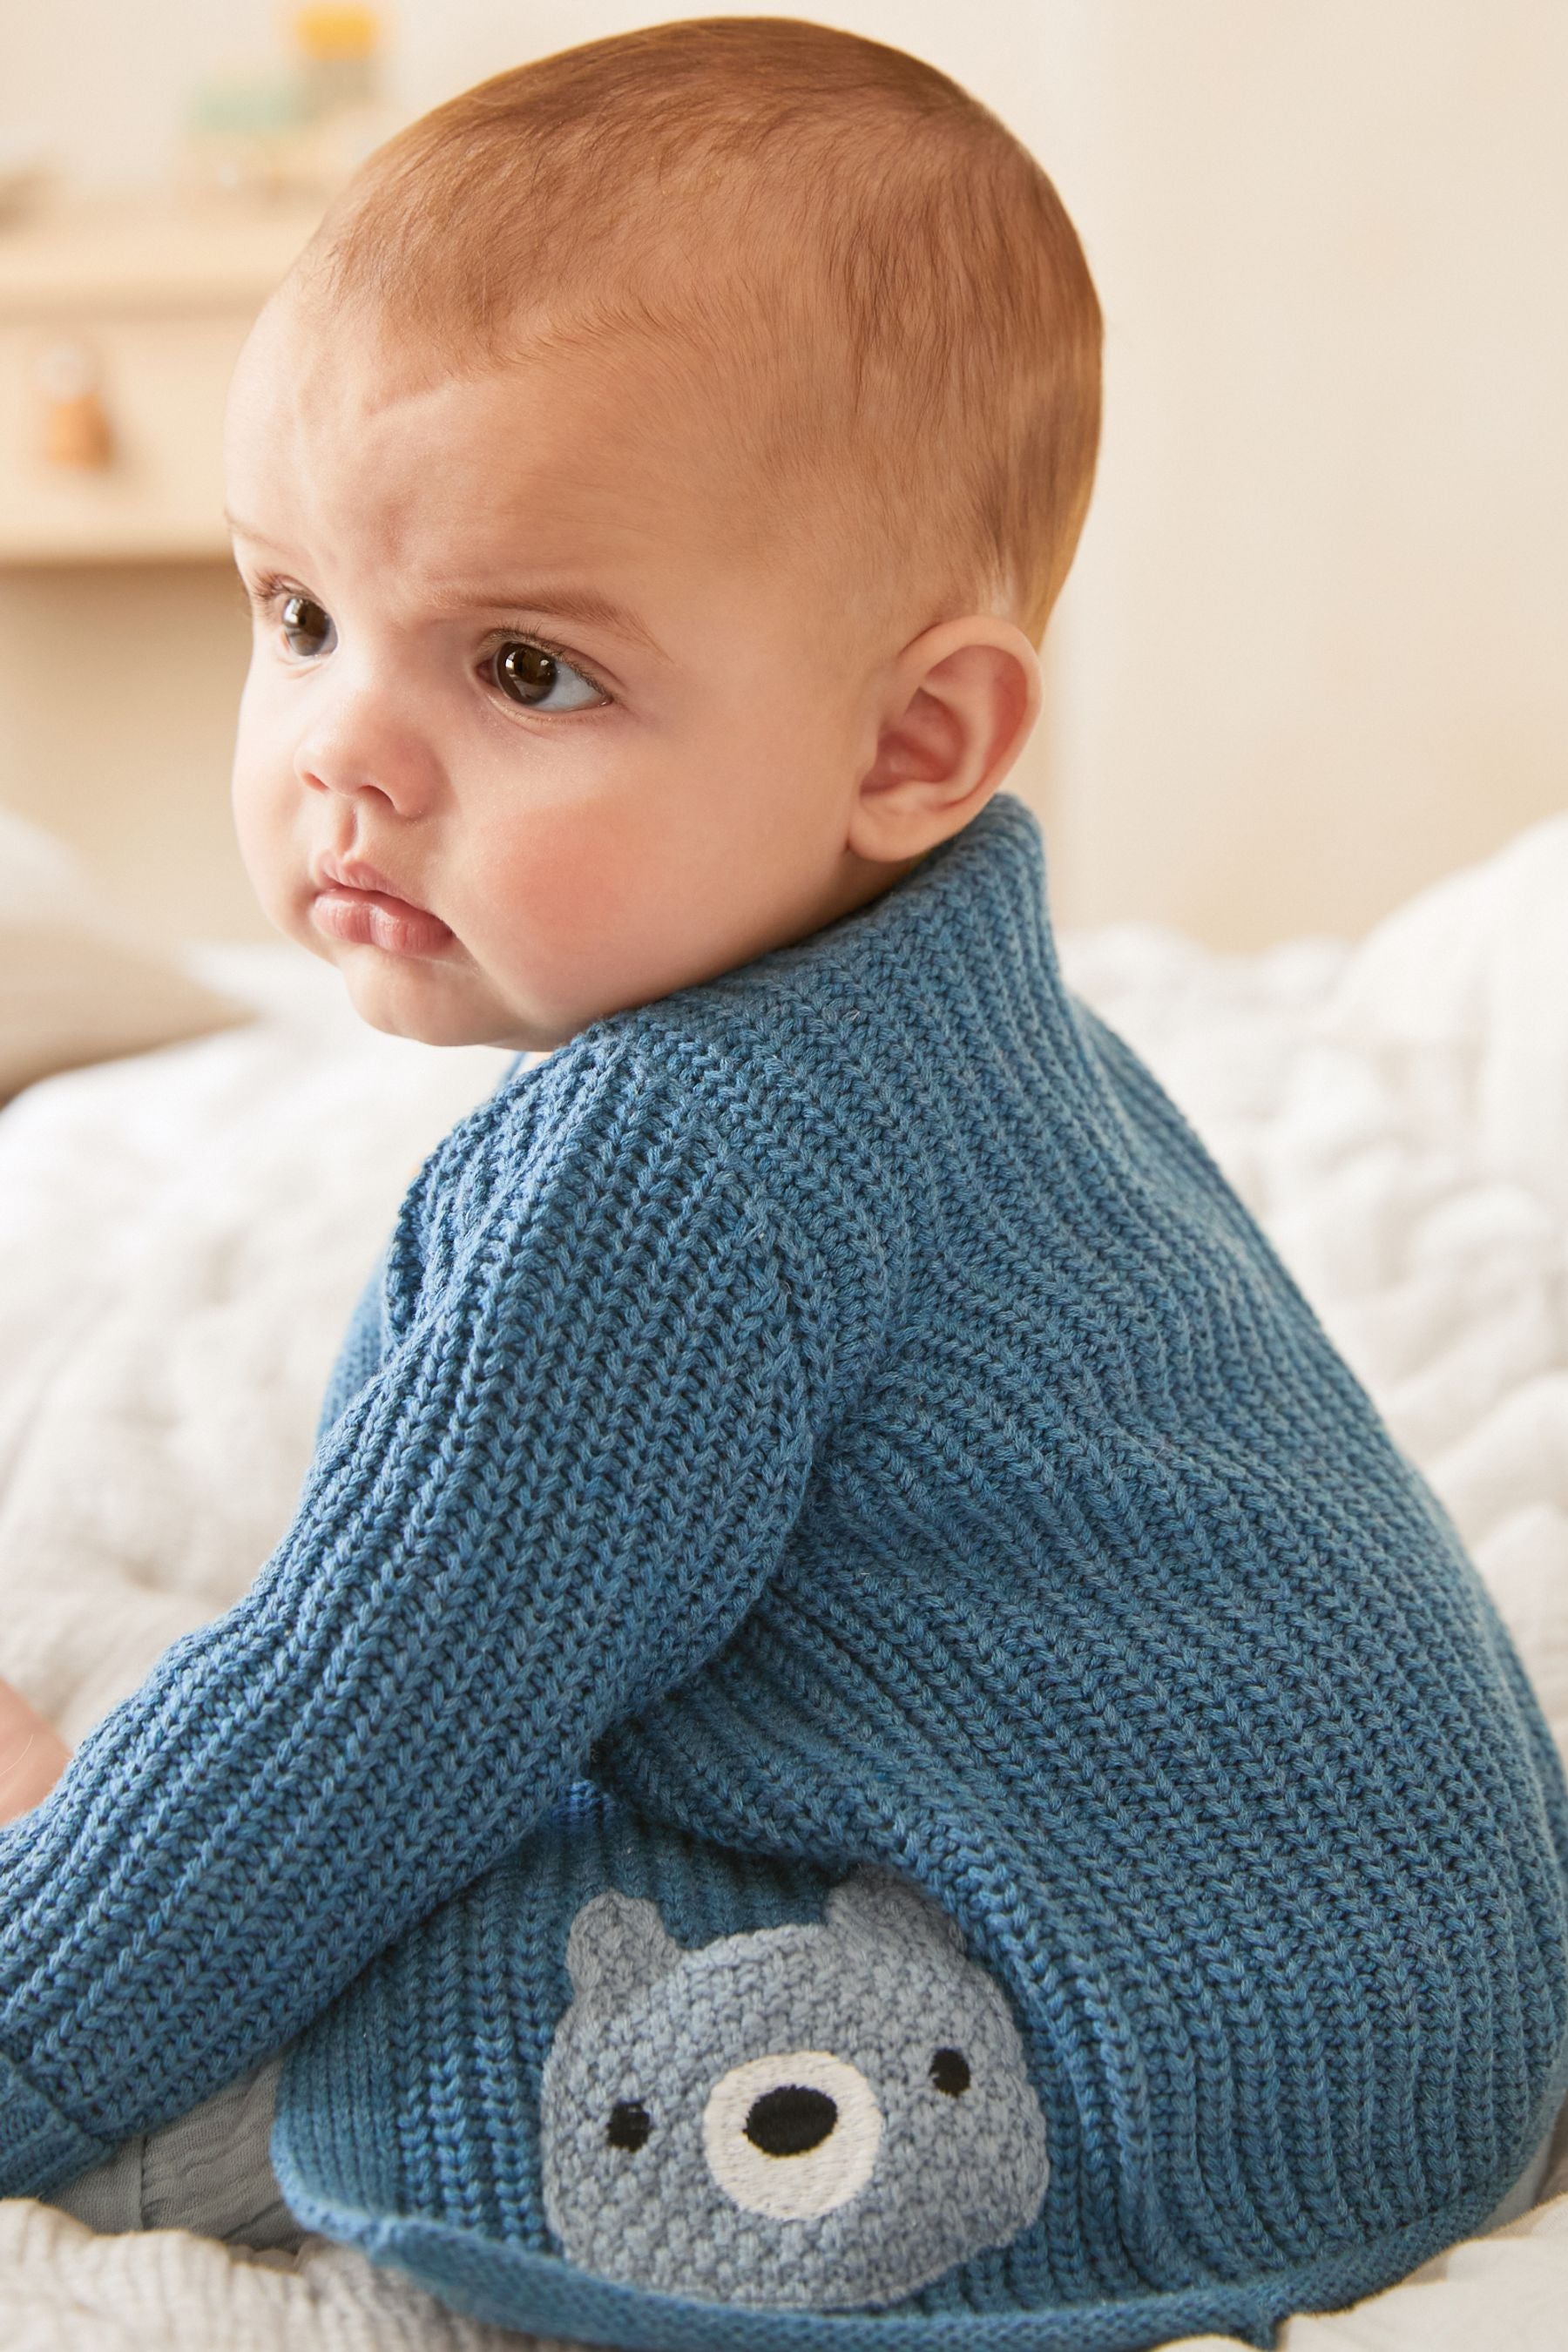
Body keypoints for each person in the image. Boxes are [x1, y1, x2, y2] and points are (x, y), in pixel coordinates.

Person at [2, 19, 1565, 2349]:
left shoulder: (671, 1169)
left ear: (912, 741)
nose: (340, 751)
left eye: (525, 664)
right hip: (1399, 1991)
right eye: (297, 614)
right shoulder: (972, 1023)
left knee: (302, 1967)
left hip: (1131, 2072)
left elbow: (368, 1722)